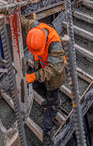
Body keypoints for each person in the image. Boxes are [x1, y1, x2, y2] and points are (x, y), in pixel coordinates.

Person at [22, 17, 66, 146]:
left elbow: (53, 69)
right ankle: (44, 95)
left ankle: (47, 129)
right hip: (41, 65)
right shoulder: (34, 28)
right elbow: (20, 19)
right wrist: (5, 10)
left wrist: (33, 76)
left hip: (54, 76)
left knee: (53, 102)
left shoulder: (55, 45)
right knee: (39, 87)